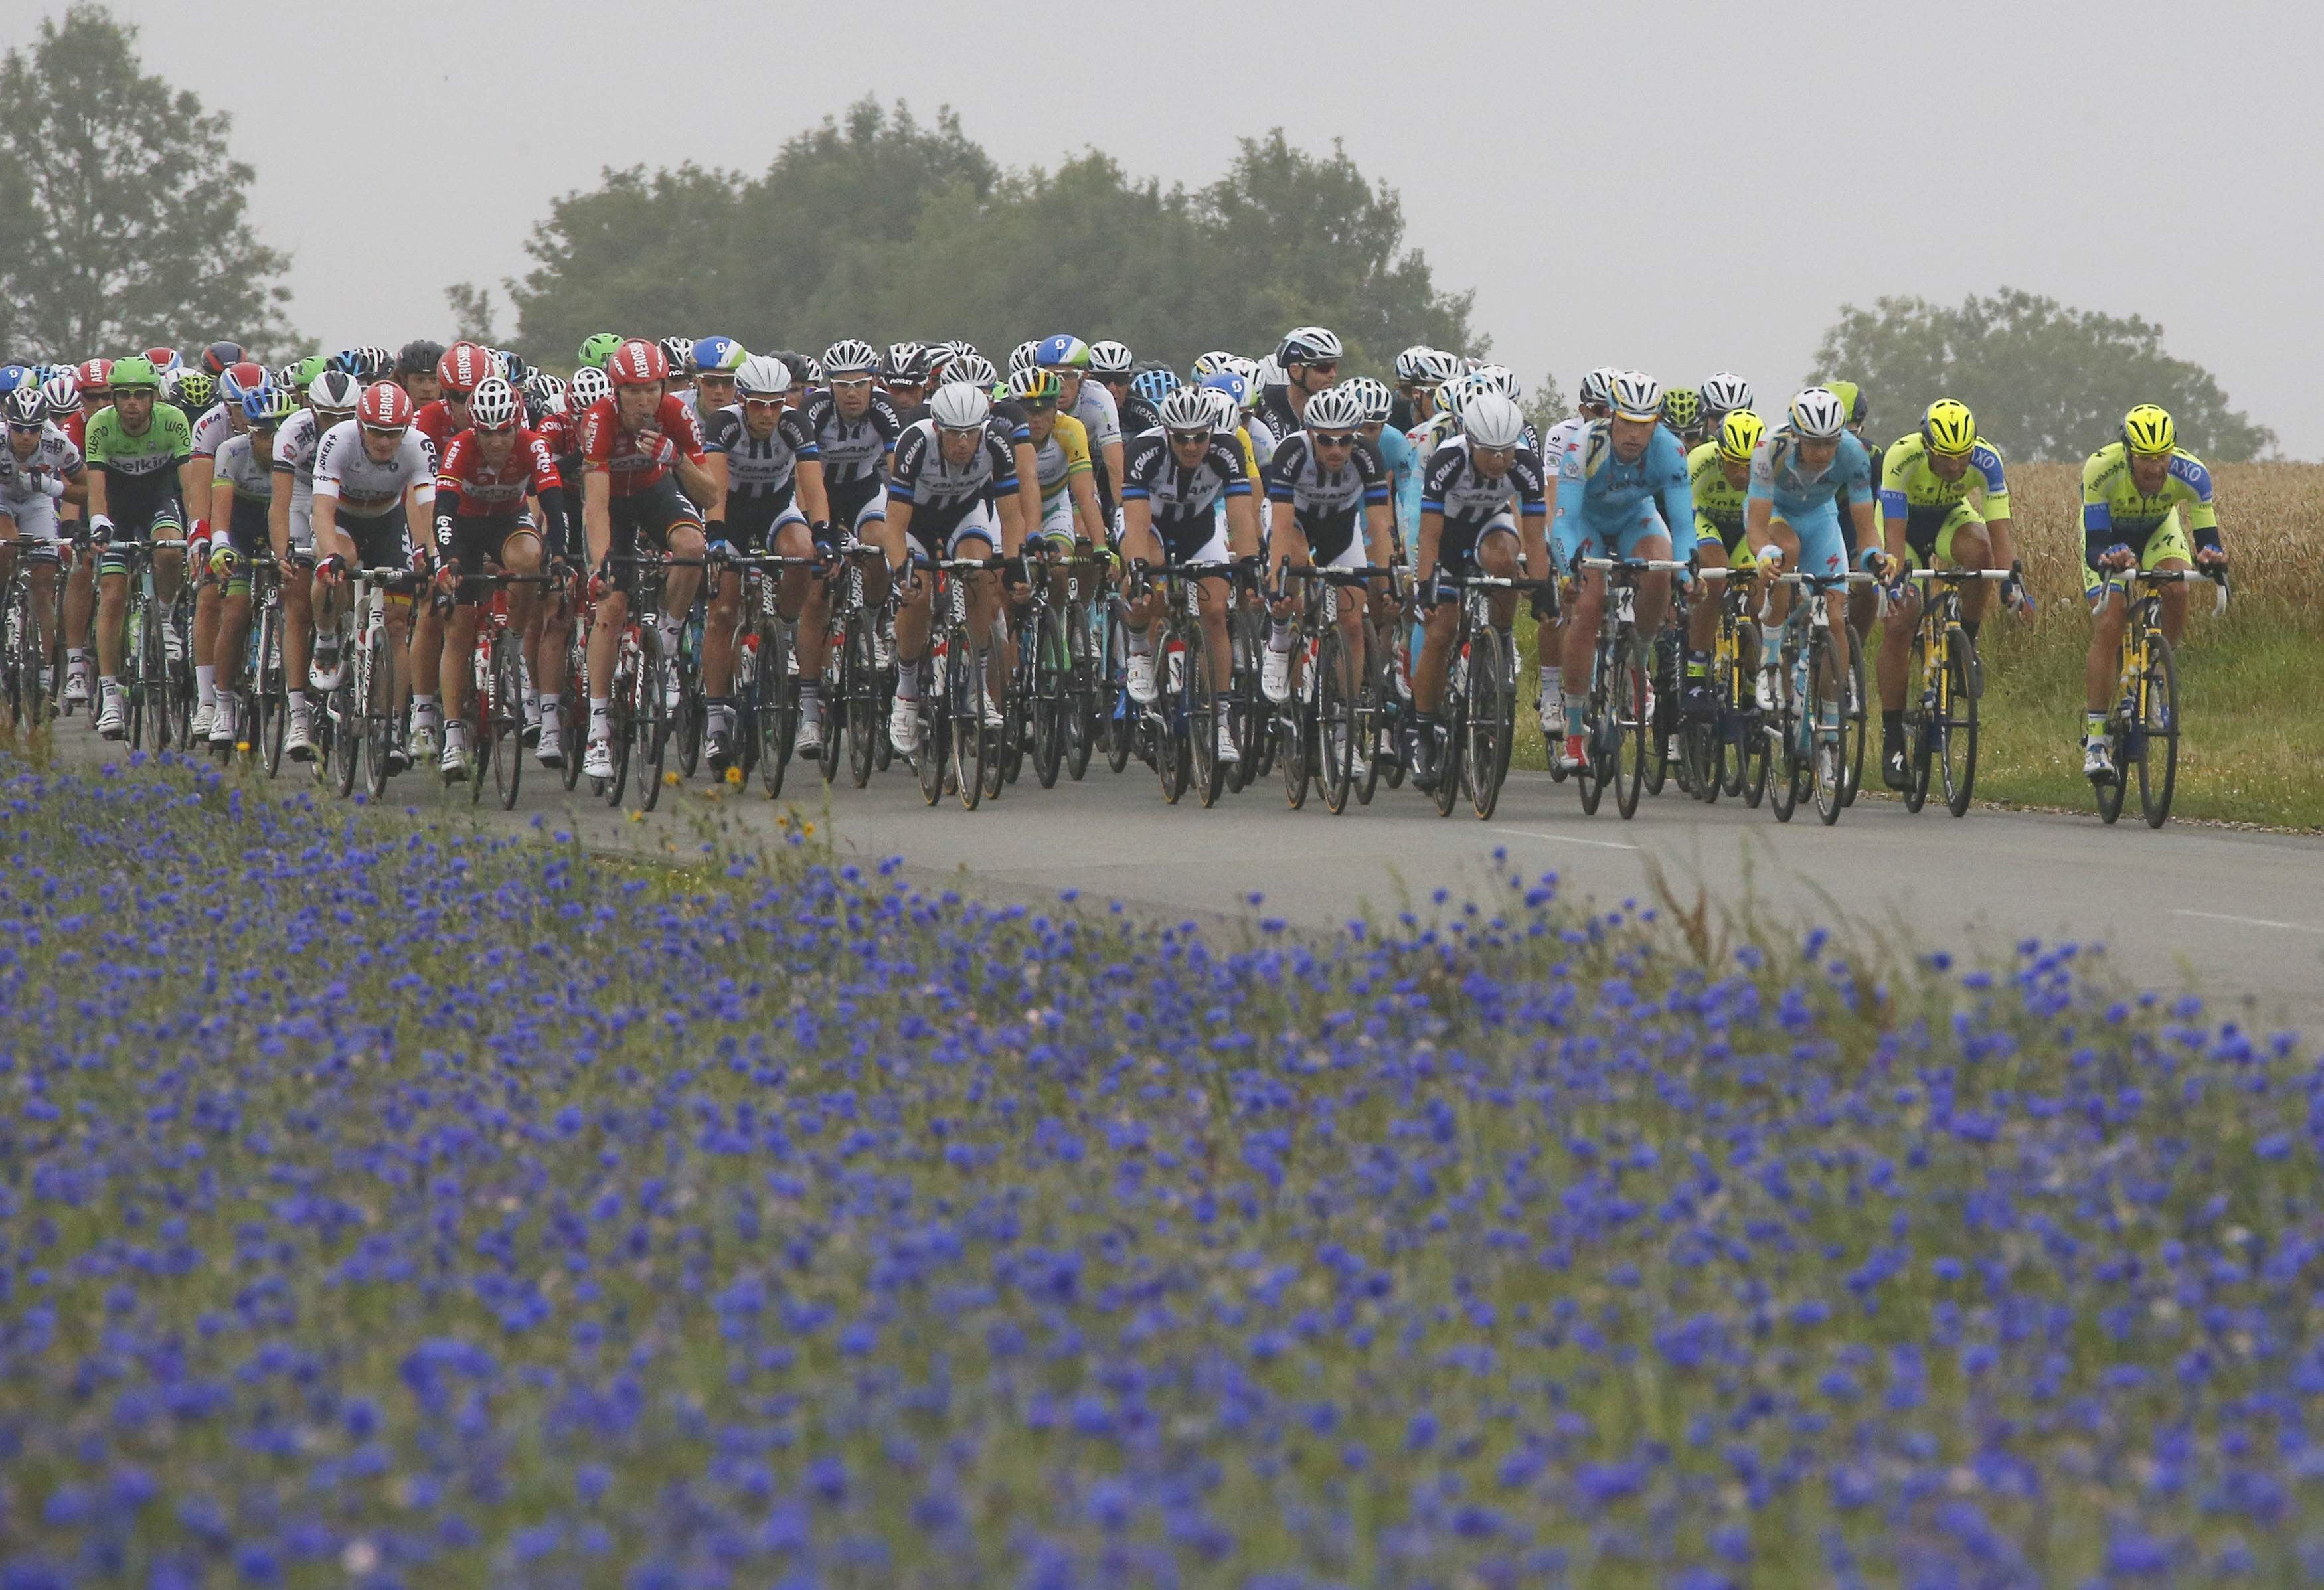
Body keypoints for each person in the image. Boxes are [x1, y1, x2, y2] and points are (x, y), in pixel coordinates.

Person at [577, 338, 718, 780]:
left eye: (652, 389)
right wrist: (600, 566)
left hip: (653, 491)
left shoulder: (676, 414)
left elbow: (710, 493)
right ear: (616, 391)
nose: (644, 400)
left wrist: (676, 460)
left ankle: (670, 638)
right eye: (633, 391)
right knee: (612, 606)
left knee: (693, 547)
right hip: (611, 504)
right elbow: (596, 507)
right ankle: (598, 728)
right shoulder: (599, 421)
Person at [1742, 388, 1894, 789]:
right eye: (1814, 443)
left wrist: (1875, 558)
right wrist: (1762, 554)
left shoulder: (1854, 454)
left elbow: (1865, 530)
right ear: (1795, 435)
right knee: (1784, 552)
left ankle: (1830, 734)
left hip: (1821, 519)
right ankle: (1771, 661)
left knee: (1837, 618)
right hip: (1776, 515)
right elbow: (1756, 527)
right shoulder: (1769, 449)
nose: (1824, 452)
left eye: (1831, 442)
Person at [1547, 372, 1693, 771]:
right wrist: (1566, 571)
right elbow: (1563, 519)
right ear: (1611, 417)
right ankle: (1574, 733)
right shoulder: (1584, 445)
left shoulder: (1670, 451)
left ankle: (1638, 661)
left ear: (1657, 424)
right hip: (1586, 523)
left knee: (1661, 565)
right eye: (1626, 422)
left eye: (1643, 425)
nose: (1633, 434)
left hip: (1635, 519)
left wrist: (1689, 576)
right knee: (1589, 606)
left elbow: (1682, 525)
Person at [2076, 404, 2228, 781]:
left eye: (2162, 456)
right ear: (2128, 452)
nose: (2155, 467)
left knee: (2176, 586)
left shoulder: (2193, 474)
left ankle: (2157, 673)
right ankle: (2096, 741)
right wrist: (2109, 558)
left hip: (2161, 530)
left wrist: (2210, 558)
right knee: (2110, 622)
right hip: (2109, 536)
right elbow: (2096, 546)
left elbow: (2208, 540)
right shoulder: (2101, 468)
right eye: (2145, 458)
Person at [1874, 399, 2020, 788]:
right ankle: (1892, 740)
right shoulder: (1902, 457)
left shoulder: (1987, 461)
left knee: (1981, 553)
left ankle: (1965, 647)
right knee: (1902, 619)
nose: (1957, 467)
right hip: (1904, 523)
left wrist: (2010, 580)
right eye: (1946, 458)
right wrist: (1896, 579)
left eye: (1963, 457)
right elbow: (1893, 535)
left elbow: (2000, 530)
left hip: (1948, 518)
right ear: (1927, 447)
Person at [1408, 392, 1549, 787]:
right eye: (1490, 452)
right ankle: (1423, 732)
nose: (1500, 461)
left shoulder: (1525, 465)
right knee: (1439, 632)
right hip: (1448, 538)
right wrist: (1426, 589)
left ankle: (1500, 638)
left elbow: (1535, 541)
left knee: (1506, 561)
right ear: (1470, 441)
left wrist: (1542, 589)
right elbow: (1429, 536)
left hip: (1491, 525)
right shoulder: (1447, 460)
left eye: (1507, 451)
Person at [430, 376, 565, 781]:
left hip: (509, 519)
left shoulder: (532, 444)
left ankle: (518, 644)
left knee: (530, 561)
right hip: (466, 526)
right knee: (459, 628)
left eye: (505, 431)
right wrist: (449, 560)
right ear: (474, 428)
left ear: (517, 424)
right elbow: (444, 511)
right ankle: (454, 736)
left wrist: (558, 556)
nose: (497, 442)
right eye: (487, 433)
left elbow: (555, 507)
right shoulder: (460, 448)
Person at [1116, 386, 1260, 765]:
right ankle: (1139, 651)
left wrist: (1249, 563)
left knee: (1215, 613)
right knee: (1147, 585)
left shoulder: (1228, 449)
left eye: (1200, 437)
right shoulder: (1145, 451)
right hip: (1151, 525)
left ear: (1212, 433)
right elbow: (1136, 523)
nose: (1192, 446)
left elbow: (1242, 513)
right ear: (1168, 433)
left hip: (1199, 527)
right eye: (1182, 438)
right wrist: (1140, 574)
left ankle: (1222, 722)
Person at [698, 354, 829, 769]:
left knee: (804, 552)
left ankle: (784, 631)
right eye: (759, 404)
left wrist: (824, 533)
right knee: (722, 612)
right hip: (731, 512)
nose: (769, 413)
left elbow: (813, 485)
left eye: (776, 403)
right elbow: (715, 489)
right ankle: (716, 720)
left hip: (775, 505)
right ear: (743, 400)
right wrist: (717, 537)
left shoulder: (795, 424)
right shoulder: (724, 424)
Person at [883, 381, 1020, 755]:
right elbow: (893, 527)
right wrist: (902, 572)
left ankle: (975, 687)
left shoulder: (997, 441)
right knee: (918, 593)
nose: (964, 443)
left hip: (965, 511)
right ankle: (907, 693)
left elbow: (1011, 516)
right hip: (916, 522)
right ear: (939, 428)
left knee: (981, 574)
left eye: (971, 433)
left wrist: (1015, 566)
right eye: (955, 434)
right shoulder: (915, 442)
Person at [309, 380, 437, 771]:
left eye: (393, 433)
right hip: (344, 519)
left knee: (397, 627)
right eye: (378, 432)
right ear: (361, 425)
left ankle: (392, 725)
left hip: (387, 521)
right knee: (339, 562)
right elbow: (323, 511)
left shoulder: (418, 445)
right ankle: (328, 639)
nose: (385, 442)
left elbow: (426, 512)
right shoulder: (338, 439)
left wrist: (430, 557)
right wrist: (330, 556)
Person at [1262, 384, 1394, 722]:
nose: (1336, 449)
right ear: (1310, 434)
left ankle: (1344, 726)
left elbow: (1380, 526)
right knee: (1296, 563)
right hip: (1296, 524)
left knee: (1352, 624)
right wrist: (1279, 576)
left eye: (1345, 440)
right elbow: (1280, 522)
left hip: (1340, 529)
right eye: (1326, 440)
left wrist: (1389, 576)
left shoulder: (1367, 455)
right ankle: (1279, 639)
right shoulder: (1291, 451)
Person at [80, 356, 193, 738]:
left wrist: (198, 530)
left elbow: (188, 482)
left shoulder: (174, 419)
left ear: (153, 398)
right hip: (118, 507)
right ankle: (111, 695)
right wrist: (99, 523)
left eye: (141, 395)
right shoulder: (99, 425)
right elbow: (96, 489)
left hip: (159, 497)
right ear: (112, 398)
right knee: (112, 595)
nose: (132, 402)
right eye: (124, 395)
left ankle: (163, 616)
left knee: (170, 551)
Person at [203, 384, 296, 750]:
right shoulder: (231, 451)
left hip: (282, 528)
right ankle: (223, 702)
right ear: (251, 432)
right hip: (241, 530)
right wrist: (221, 544)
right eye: (265, 433)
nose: (273, 442)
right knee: (236, 611)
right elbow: (221, 512)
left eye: (280, 431)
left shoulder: (299, 454)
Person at [0, 387, 86, 707]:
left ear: (42, 427)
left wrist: (50, 485)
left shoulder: (56, 443)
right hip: (2, 499)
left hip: (37, 500)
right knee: (6, 546)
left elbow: (85, 489)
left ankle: (46, 676)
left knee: (43, 585)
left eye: (33, 429)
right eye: (19, 428)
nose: (25, 436)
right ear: (8, 424)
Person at [1681, 408, 1765, 714]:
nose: (1743, 475)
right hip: (1706, 522)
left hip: (1745, 529)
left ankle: (1754, 682)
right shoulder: (1698, 462)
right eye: (1735, 465)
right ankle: (1696, 671)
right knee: (1715, 582)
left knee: (1758, 601)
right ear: (1720, 455)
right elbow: (1682, 516)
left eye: (1749, 466)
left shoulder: (1771, 464)